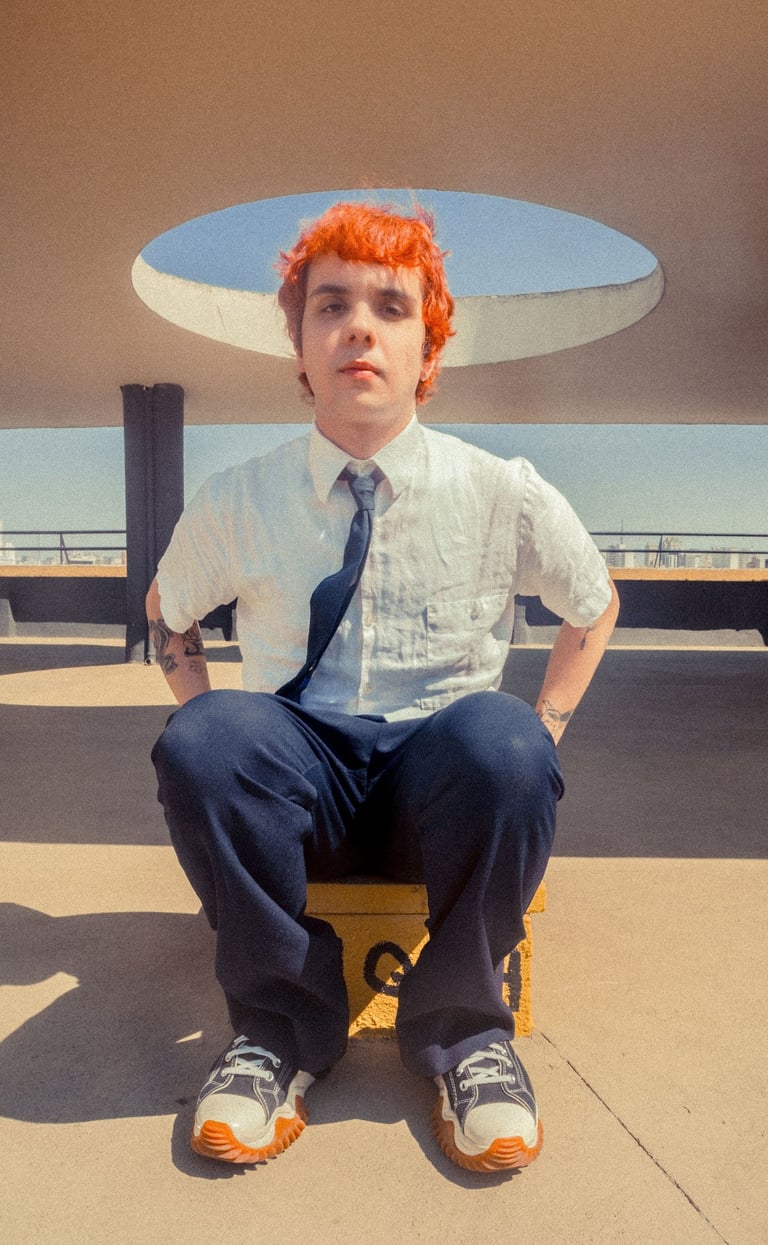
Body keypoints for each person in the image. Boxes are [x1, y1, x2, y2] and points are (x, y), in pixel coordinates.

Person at [147, 200, 619, 1174]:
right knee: (205, 742)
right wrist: (213, 737)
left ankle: (466, 1031)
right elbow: (168, 606)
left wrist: (545, 734)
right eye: (331, 305)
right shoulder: (240, 496)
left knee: (507, 744)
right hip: (302, 777)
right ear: (301, 344)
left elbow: (594, 603)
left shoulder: (500, 489)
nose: (358, 327)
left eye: (391, 307)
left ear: (428, 348)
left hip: (437, 780)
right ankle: (280, 1029)